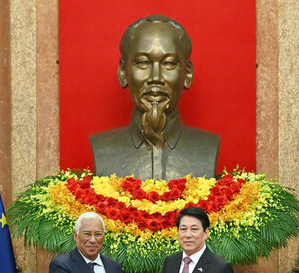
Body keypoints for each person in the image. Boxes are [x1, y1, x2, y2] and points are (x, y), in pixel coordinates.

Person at [90, 14, 220, 181]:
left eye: (169, 63)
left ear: (187, 74)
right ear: (123, 73)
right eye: (143, 63)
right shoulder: (102, 147)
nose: (155, 78)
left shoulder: (208, 147)